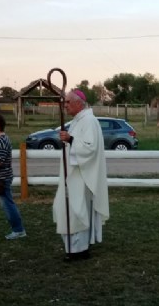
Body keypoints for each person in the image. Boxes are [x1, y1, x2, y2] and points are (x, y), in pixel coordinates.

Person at [54, 89, 109, 262]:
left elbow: (90, 149)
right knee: (67, 208)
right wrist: (68, 140)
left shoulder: (89, 121)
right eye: (65, 102)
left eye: (68, 102)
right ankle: (74, 247)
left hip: (81, 176)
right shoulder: (77, 121)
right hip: (72, 175)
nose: (65, 106)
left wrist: (70, 140)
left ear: (79, 103)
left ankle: (79, 249)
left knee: (77, 211)